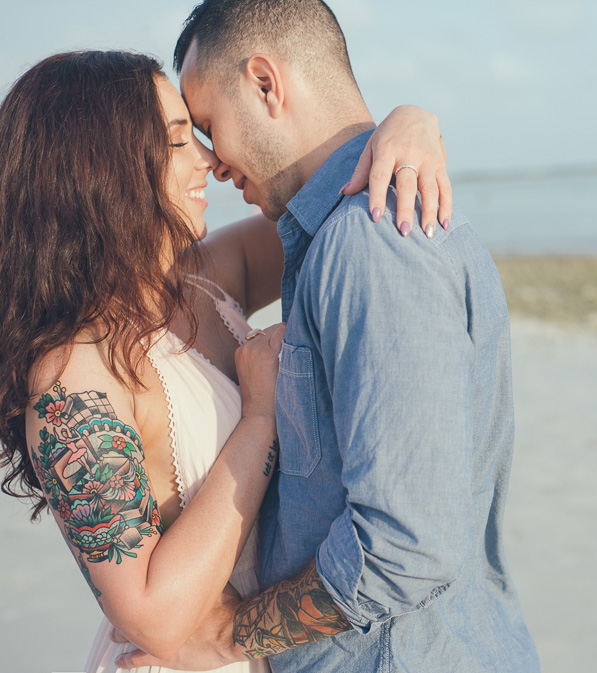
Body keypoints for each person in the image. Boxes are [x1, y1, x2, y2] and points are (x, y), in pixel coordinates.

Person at [118, 1, 540, 671]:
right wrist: (409, 118)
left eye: (206, 125)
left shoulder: (371, 241)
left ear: (265, 82)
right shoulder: (327, 236)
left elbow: (406, 545)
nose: (213, 162)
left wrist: (227, 636)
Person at [0, 49, 452, 673]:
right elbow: (153, 618)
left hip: (267, 651)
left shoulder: (203, 280)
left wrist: (407, 127)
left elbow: (332, 202)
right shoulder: (72, 374)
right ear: (100, 167)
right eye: (180, 140)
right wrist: (261, 416)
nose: (209, 162)